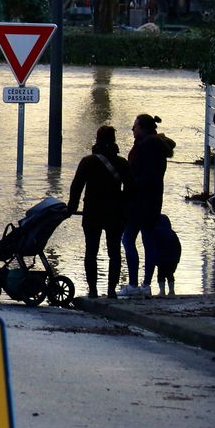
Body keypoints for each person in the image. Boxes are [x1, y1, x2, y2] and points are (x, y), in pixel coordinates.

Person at [66, 125, 132, 299]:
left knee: (91, 251)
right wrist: (123, 205)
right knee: (114, 252)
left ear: (97, 140)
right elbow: (131, 188)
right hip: (115, 213)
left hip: (92, 211)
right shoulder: (122, 163)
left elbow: (76, 186)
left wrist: (71, 208)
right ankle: (111, 291)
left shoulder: (88, 162)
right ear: (114, 141)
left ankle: (93, 290)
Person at [120, 114, 176, 298]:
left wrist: (129, 185)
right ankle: (146, 284)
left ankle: (133, 284)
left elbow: (143, 175)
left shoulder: (144, 147)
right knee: (149, 241)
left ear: (143, 128)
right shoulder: (158, 147)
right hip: (154, 201)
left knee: (128, 239)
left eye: (135, 126)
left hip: (138, 201)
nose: (132, 129)